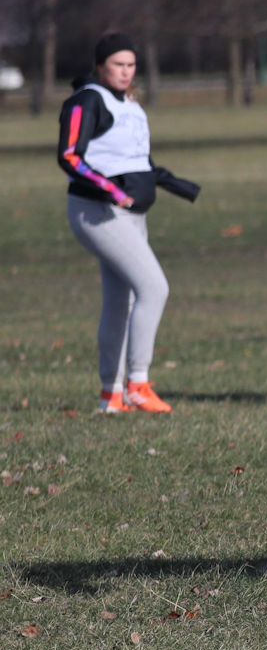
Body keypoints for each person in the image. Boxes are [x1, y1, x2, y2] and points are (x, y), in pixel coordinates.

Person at [57, 32, 201, 414]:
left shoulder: (131, 105)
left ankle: (111, 396)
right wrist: (110, 191)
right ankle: (138, 383)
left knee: (123, 301)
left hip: (133, 215)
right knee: (154, 288)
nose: (125, 71)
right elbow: (70, 156)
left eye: (130, 64)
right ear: (101, 66)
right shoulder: (88, 100)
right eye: (117, 64)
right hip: (98, 213)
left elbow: (138, 161)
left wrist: (176, 184)